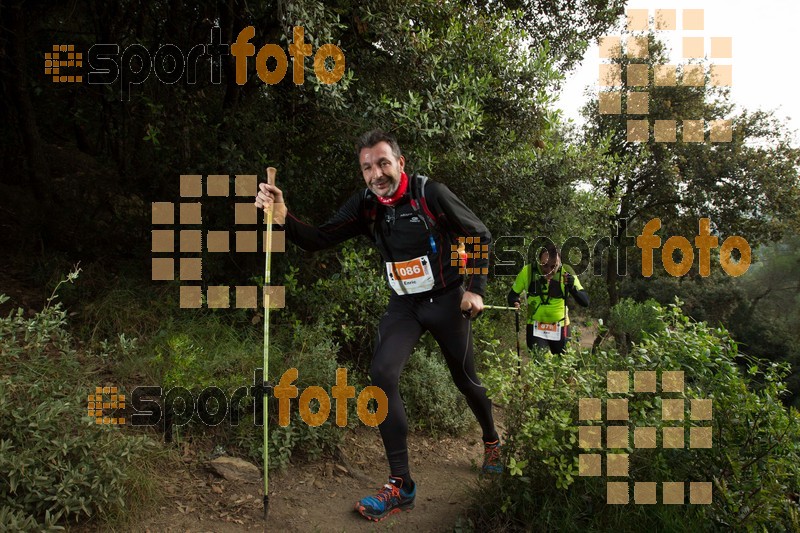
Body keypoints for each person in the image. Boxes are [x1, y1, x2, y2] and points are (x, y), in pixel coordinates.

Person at [255, 129, 501, 522]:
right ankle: (400, 485)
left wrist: (476, 288)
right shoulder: (367, 205)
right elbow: (319, 238)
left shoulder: (430, 194)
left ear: (400, 163)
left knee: (464, 378)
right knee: (381, 374)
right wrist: (283, 217)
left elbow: (479, 234)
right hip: (403, 304)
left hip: (447, 299)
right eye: (367, 167)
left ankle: (491, 438)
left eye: (383, 163)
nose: (376, 173)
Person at [507, 243, 589, 355]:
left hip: (561, 326)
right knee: (540, 365)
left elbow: (585, 302)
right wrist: (515, 302)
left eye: (553, 266)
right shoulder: (528, 271)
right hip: (535, 326)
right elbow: (512, 295)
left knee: (563, 367)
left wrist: (572, 288)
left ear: (559, 263)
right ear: (539, 261)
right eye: (544, 266)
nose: (549, 271)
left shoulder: (566, 272)